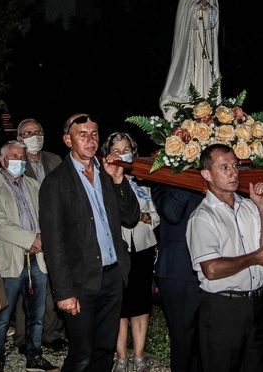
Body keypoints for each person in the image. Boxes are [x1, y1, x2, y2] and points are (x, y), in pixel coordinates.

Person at [38, 113, 140, 372]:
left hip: (113, 276)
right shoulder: (55, 182)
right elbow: (53, 243)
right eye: (82, 134)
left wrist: (119, 180)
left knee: (104, 351)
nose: (90, 139)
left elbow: (130, 217)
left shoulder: (108, 172)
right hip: (80, 281)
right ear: (67, 140)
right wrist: (63, 292)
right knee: (82, 354)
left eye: (94, 133)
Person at [185, 143, 263, 372]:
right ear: (207, 174)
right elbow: (212, 269)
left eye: (236, 166)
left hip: (256, 305)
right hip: (223, 309)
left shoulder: (250, 207)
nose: (234, 173)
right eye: (225, 167)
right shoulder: (202, 217)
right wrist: (254, 257)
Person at [0, 140, 58, 372]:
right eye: (15, 157)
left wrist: (42, 237)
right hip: (11, 261)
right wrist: (32, 239)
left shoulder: (34, 184)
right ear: (2, 160)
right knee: (1, 317)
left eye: (23, 157)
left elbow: (47, 216)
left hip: (37, 260)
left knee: (37, 314)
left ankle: (34, 357)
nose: (20, 161)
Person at [102, 132, 160, 372]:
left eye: (126, 148)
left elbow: (157, 214)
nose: (122, 153)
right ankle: (121, 357)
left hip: (143, 247)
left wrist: (145, 217)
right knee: (120, 307)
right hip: (117, 250)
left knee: (140, 304)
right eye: (117, 149)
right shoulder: (104, 182)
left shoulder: (144, 180)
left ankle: (139, 356)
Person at [13, 117, 68, 354]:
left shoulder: (54, 159)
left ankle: (52, 333)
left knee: (54, 283)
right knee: (27, 284)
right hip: (28, 232)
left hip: (55, 228)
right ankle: (23, 336)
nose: (34, 136)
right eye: (28, 133)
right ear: (19, 138)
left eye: (38, 131)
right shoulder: (15, 161)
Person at [159, 0, 229, 122]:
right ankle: (191, 105)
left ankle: (207, 105)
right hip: (192, 44)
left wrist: (208, 10)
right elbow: (184, 16)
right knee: (192, 73)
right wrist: (199, 6)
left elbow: (214, 21)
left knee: (207, 74)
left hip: (206, 43)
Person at [151, 184, 204, 372]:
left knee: (205, 340)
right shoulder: (162, 182)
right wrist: (187, 169)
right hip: (179, 270)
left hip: (215, 266)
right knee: (184, 341)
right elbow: (172, 213)